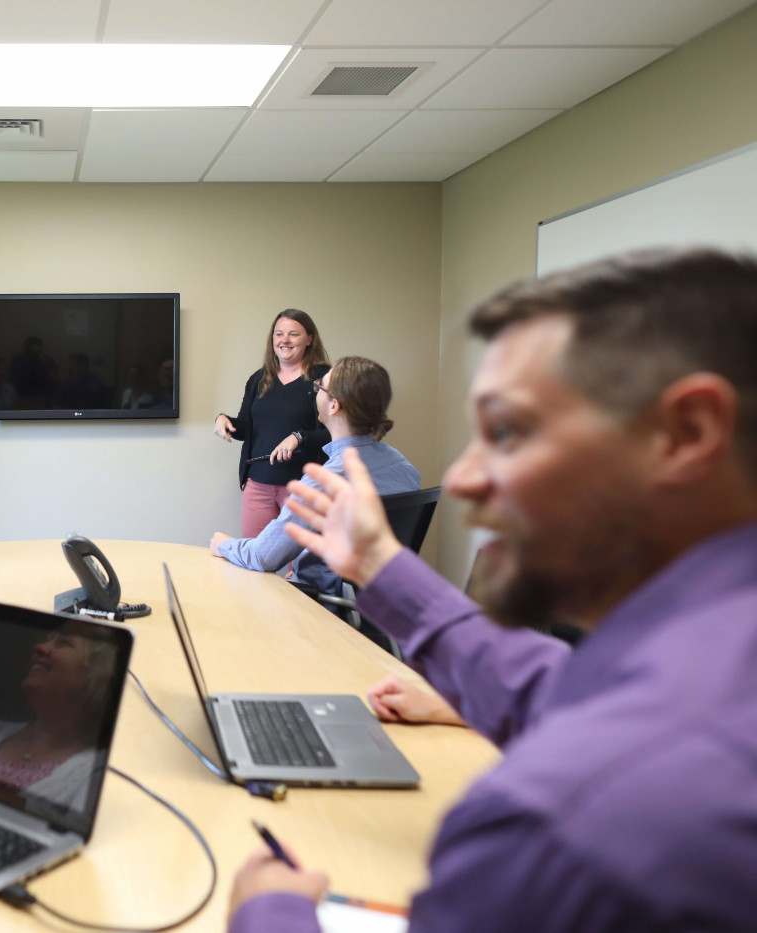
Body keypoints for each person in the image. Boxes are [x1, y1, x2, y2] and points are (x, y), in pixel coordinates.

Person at [227, 249, 757, 933]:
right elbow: (580, 692)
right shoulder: (715, 653)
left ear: (686, 434)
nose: (468, 479)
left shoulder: (558, 819)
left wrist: (269, 910)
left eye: (508, 431)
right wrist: (382, 567)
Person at [211, 356, 419, 596]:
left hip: (324, 609)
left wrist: (223, 544)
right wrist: (306, 566)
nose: (315, 389)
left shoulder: (324, 481)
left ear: (333, 406)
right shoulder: (404, 468)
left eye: (320, 385)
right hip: (378, 605)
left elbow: (262, 556)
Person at [0, 622, 119, 811]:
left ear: (97, 675)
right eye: (49, 639)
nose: (40, 647)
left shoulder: (90, 774)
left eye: (63, 642)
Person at [214, 310, 332, 537]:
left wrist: (299, 437)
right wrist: (224, 420)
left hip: (304, 487)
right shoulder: (259, 378)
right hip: (258, 485)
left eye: (293, 334)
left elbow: (334, 434)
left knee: (297, 570)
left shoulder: (323, 378)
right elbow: (246, 428)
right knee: (253, 562)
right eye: (279, 334)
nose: (285, 340)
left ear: (309, 339)